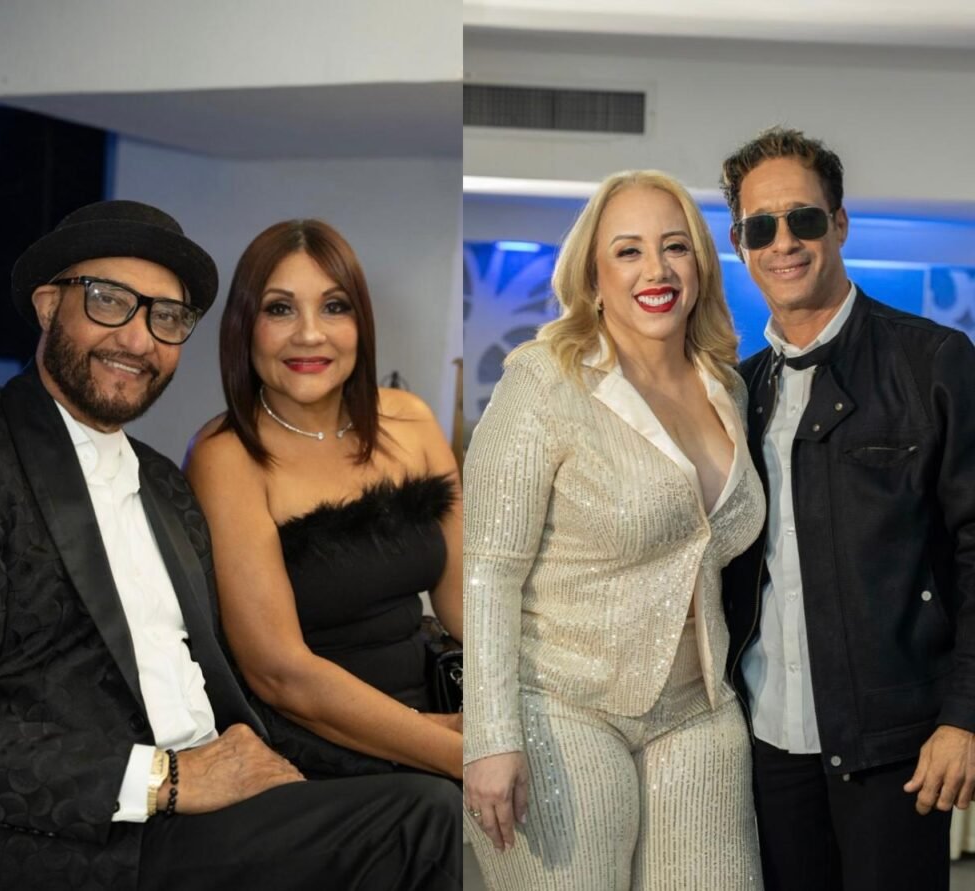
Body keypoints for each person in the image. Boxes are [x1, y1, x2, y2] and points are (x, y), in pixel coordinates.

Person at [0, 200, 461, 891]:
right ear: (48, 307)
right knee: (429, 821)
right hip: (94, 838)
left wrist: (428, 745)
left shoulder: (163, 483)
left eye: (165, 316)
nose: (138, 339)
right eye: (109, 301)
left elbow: (236, 694)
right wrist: (167, 778)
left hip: (227, 798)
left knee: (437, 803)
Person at [462, 170, 765, 889]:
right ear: (594, 278)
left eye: (675, 247)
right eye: (628, 251)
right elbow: (488, 569)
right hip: (560, 708)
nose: (656, 269)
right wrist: (489, 737)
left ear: (700, 265)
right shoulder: (543, 379)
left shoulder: (728, 385)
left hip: (699, 711)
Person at [719, 126, 975, 891]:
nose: (783, 242)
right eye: (760, 227)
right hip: (768, 744)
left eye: (803, 218)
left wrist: (965, 715)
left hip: (897, 744)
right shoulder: (737, 391)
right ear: (738, 243)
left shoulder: (933, 362)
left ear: (839, 223)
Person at [184, 219, 463, 782]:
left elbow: (467, 603)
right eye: (280, 309)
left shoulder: (410, 419)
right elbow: (279, 673)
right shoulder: (224, 455)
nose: (310, 335)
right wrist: (457, 752)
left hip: (440, 714)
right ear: (244, 327)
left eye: (334, 307)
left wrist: (515, 713)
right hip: (316, 747)